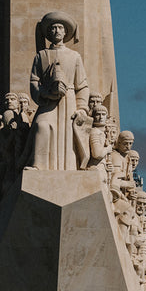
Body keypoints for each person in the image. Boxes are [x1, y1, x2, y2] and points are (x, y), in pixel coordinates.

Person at [27, 10, 90, 171]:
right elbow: (34, 81)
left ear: (65, 32)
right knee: (42, 125)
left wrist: (82, 108)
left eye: (60, 28)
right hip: (48, 101)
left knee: (66, 135)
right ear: (49, 33)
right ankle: (38, 165)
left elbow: (82, 85)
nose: (56, 31)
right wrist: (44, 93)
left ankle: (68, 168)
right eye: (53, 28)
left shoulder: (74, 56)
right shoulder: (41, 55)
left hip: (68, 99)